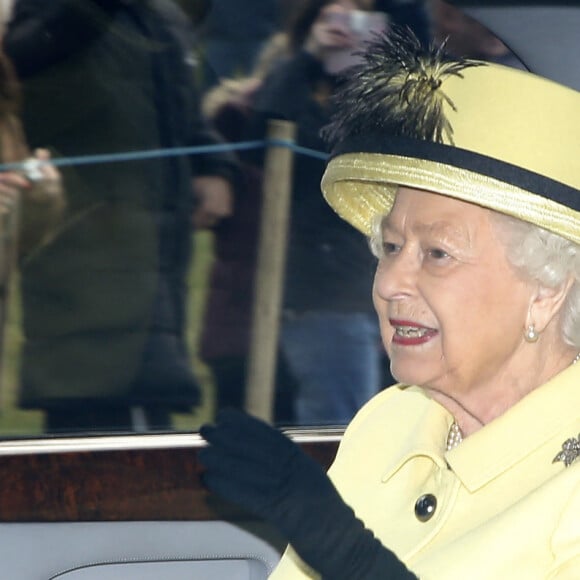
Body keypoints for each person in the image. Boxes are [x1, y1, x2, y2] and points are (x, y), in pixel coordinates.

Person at [199, 27, 580, 578]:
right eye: (392, 246)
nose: (389, 282)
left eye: (438, 254)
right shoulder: (388, 421)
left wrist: (350, 556)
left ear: (548, 289)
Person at [2, 0, 239, 433]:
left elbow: (182, 111)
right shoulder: (55, 11)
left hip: (157, 267)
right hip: (85, 259)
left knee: (141, 421)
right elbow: (20, 68)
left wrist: (212, 166)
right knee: (100, 430)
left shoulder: (162, 17)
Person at [242, 0, 388, 426]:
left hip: (369, 293)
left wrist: (374, 66)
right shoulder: (295, 88)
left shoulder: (377, 94)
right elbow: (265, 135)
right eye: (330, 20)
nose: (342, 31)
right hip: (326, 295)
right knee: (339, 432)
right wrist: (308, 57)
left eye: (356, 21)